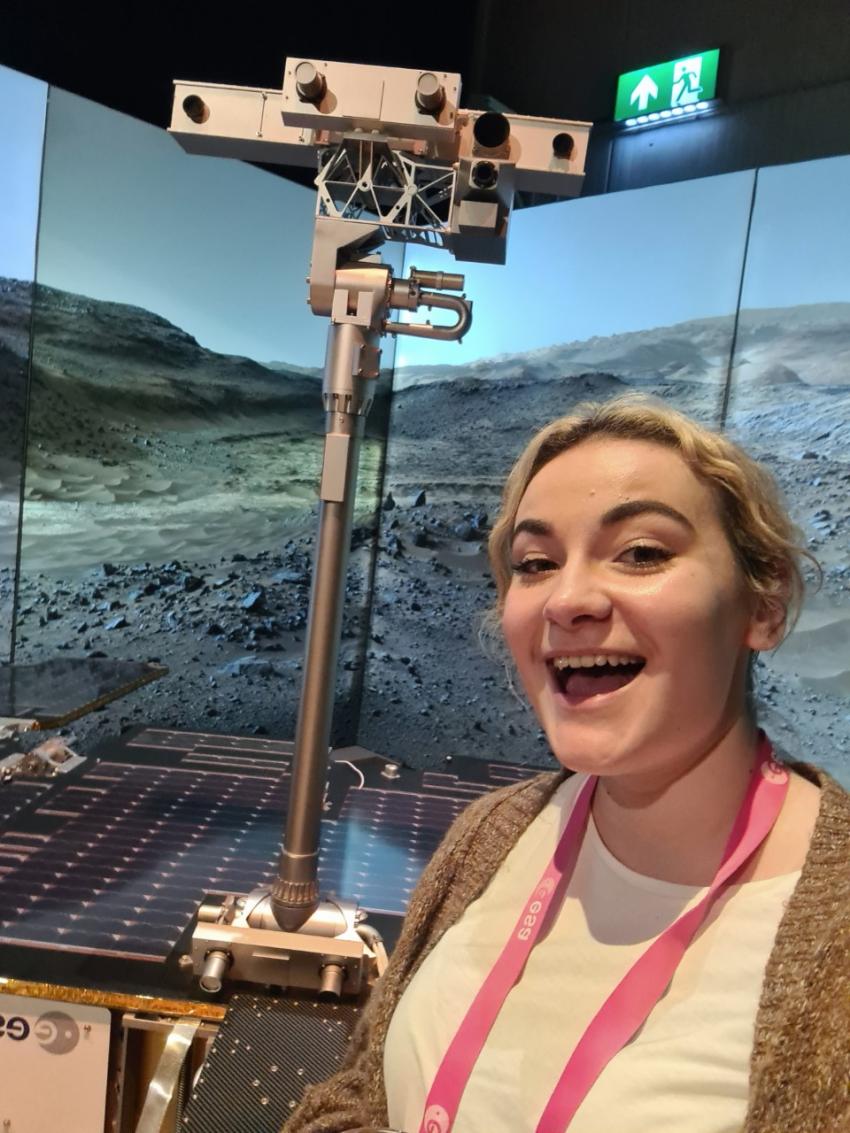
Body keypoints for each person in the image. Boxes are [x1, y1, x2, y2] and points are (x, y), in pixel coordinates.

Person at [284, 396, 850, 1133]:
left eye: (642, 552)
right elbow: (361, 1091)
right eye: (536, 563)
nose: (569, 599)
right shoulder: (495, 832)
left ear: (763, 603)